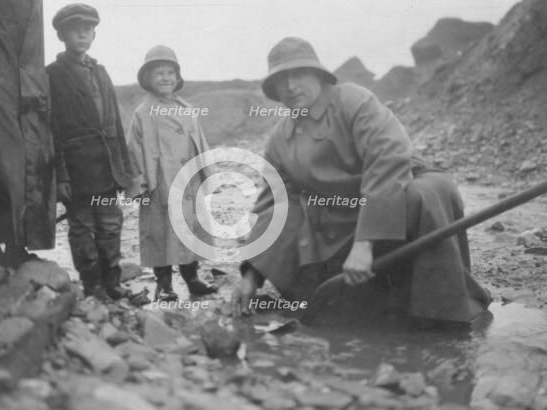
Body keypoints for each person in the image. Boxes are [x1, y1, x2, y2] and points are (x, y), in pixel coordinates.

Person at [232, 37, 491, 327]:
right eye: (281, 79)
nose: (290, 86)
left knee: (424, 194)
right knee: (339, 311)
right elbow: (275, 204)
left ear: (318, 74)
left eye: (298, 74)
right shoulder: (279, 140)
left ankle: (443, 315)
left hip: (397, 193)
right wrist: (250, 277)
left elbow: (389, 161)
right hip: (343, 219)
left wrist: (364, 245)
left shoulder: (353, 100)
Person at [46, 4, 140, 302]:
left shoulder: (100, 72)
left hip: (108, 169)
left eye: (87, 29)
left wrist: (125, 171)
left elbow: (115, 124)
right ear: (61, 35)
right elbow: (51, 129)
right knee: (82, 227)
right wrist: (61, 175)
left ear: (94, 34)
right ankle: (92, 286)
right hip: (78, 170)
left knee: (110, 225)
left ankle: (112, 282)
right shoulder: (52, 75)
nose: (82, 34)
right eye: (75, 29)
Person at [126, 45, 218, 301]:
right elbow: (133, 150)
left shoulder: (187, 108)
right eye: (158, 73)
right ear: (147, 79)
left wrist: (206, 174)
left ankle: (192, 278)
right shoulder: (143, 113)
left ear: (177, 78)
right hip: (159, 185)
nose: (165, 78)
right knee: (160, 234)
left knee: (190, 230)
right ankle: (164, 284)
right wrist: (139, 185)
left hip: (188, 183)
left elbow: (201, 142)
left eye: (170, 72)